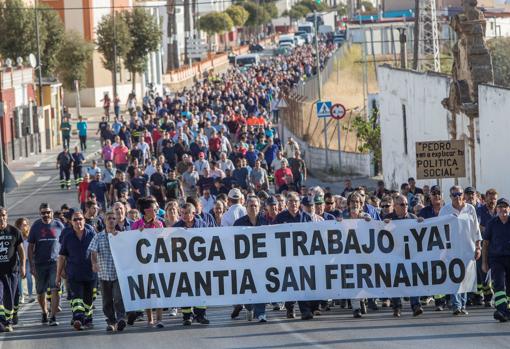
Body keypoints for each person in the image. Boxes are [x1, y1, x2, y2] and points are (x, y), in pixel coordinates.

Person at [439, 185, 482, 316]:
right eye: (454, 195)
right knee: (454, 278)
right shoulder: (445, 210)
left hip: (468, 249)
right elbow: (438, 228)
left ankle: (462, 304)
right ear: (450, 196)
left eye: (459, 194)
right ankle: (456, 305)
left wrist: (478, 247)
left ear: (463, 195)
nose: (457, 197)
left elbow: (476, 229)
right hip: (451, 250)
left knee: (465, 278)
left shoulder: (470, 209)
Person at [273, 191, 313, 320]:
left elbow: (314, 234)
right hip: (286, 257)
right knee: (289, 282)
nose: (293, 204)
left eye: (295, 201)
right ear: (286, 203)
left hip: (303, 256)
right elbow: (271, 235)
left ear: (299, 203)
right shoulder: (280, 218)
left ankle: (305, 310)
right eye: (290, 201)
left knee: (302, 282)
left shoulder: (306, 217)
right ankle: (290, 306)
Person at [383, 195, 423, 317]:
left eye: (406, 204)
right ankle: (397, 307)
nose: (405, 206)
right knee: (395, 281)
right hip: (394, 255)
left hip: (410, 255)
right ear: (395, 206)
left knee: (413, 280)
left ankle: (416, 305)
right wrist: (384, 225)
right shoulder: (388, 219)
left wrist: (422, 224)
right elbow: (381, 236)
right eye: (402, 204)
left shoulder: (413, 218)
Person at [56, 209, 96, 331]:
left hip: (90, 273)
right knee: (77, 297)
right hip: (73, 273)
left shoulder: (91, 234)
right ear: (71, 222)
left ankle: (88, 319)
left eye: (80, 219)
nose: (78, 221)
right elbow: (62, 256)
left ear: (84, 220)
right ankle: (78, 318)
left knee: (89, 299)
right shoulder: (67, 237)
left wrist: (96, 264)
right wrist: (58, 275)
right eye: (75, 219)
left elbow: (96, 252)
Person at [88, 211, 126, 332]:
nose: (111, 220)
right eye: (109, 218)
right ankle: (111, 321)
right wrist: (94, 263)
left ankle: (120, 319)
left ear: (116, 221)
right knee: (106, 301)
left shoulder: (121, 236)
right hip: (104, 274)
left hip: (118, 273)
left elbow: (130, 248)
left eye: (113, 218)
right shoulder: (98, 236)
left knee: (118, 298)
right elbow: (93, 251)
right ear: (105, 221)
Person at [173, 203, 209, 326]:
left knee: (201, 289)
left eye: (186, 212)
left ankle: (200, 315)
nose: (183, 215)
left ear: (193, 213)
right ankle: (187, 316)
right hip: (183, 265)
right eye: (181, 213)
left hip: (200, 265)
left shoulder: (202, 226)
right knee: (185, 289)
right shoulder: (176, 227)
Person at [28, 204, 64, 326]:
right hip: (39, 263)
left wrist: (65, 263)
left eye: (48, 212)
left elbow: (65, 242)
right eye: (43, 213)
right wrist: (31, 265)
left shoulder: (59, 225)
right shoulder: (36, 226)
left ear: (52, 213)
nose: (46, 215)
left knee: (55, 289)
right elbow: (30, 246)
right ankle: (44, 312)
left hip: (55, 263)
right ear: (40, 214)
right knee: (40, 291)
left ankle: (53, 316)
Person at [233, 196, 268, 322]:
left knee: (260, 286)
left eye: (255, 206)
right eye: (250, 206)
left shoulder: (265, 222)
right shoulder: (238, 223)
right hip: (245, 262)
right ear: (246, 207)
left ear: (259, 207)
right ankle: (249, 307)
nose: (253, 208)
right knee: (248, 287)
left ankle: (261, 313)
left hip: (261, 262)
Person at [482, 198, 510, 322]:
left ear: (509, 209)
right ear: (496, 209)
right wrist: (484, 262)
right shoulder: (492, 223)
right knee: (499, 283)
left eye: (505, 207)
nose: (503, 209)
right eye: (500, 207)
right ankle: (501, 310)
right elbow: (486, 243)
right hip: (496, 259)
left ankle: (507, 309)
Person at [0, 206, 25, 333]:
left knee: (11, 297)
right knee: (0, 295)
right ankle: (1, 320)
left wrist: (23, 266)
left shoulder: (14, 231)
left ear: (7, 216)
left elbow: (21, 250)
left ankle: (8, 321)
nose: (1, 218)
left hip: (11, 271)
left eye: (3, 215)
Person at [15, 218, 33, 305]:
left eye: (26, 225)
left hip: (28, 260)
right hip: (19, 260)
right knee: (19, 279)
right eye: (22, 225)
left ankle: (30, 296)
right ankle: (21, 296)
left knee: (29, 277)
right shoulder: (17, 236)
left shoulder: (30, 236)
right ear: (18, 226)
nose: (24, 227)